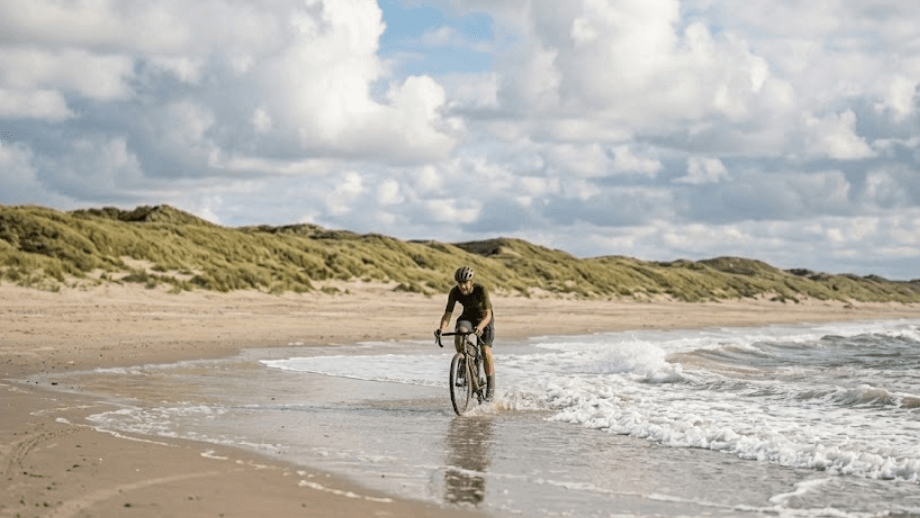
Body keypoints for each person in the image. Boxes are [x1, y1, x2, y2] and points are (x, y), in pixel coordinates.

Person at [436, 266, 496, 401]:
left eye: (465, 283)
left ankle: (490, 388)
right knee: (460, 334)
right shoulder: (454, 292)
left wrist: (480, 327)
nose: (462, 286)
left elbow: (488, 314)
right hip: (467, 318)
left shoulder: (481, 290)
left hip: (484, 320)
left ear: (471, 282)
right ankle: (465, 363)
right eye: (459, 283)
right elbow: (447, 314)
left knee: (485, 351)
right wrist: (441, 328)